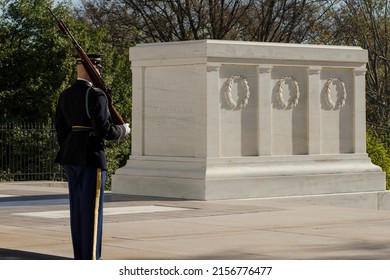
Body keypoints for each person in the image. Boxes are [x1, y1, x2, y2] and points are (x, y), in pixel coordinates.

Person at [54, 53, 130, 260]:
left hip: (71, 156)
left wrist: (72, 146)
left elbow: (60, 128)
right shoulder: (96, 95)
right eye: (99, 69)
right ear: (94, 69)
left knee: (77, 210)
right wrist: (122, 130)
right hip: (91, 156)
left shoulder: (65, 94)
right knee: (91, 211)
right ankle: (91, 259)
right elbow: (104, 130)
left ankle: (81, 256)